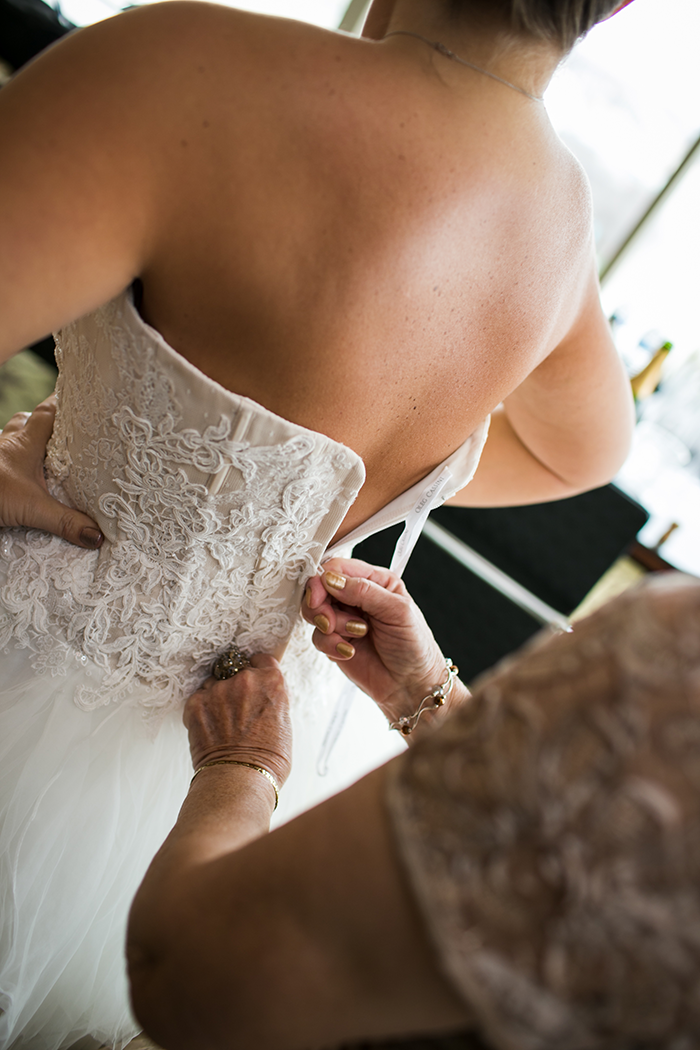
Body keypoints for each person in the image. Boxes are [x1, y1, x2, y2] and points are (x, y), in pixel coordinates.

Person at [0, 0, 635, 1044]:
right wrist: (303, 497)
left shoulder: (184, 70)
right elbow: (586, 450)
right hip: (253, 768)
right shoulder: (558, 221)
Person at [127, 558, 700, 1050]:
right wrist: (424, 694)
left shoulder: (673, 665)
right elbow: (572, 864)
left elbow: (182, 977)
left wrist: (243, 764)